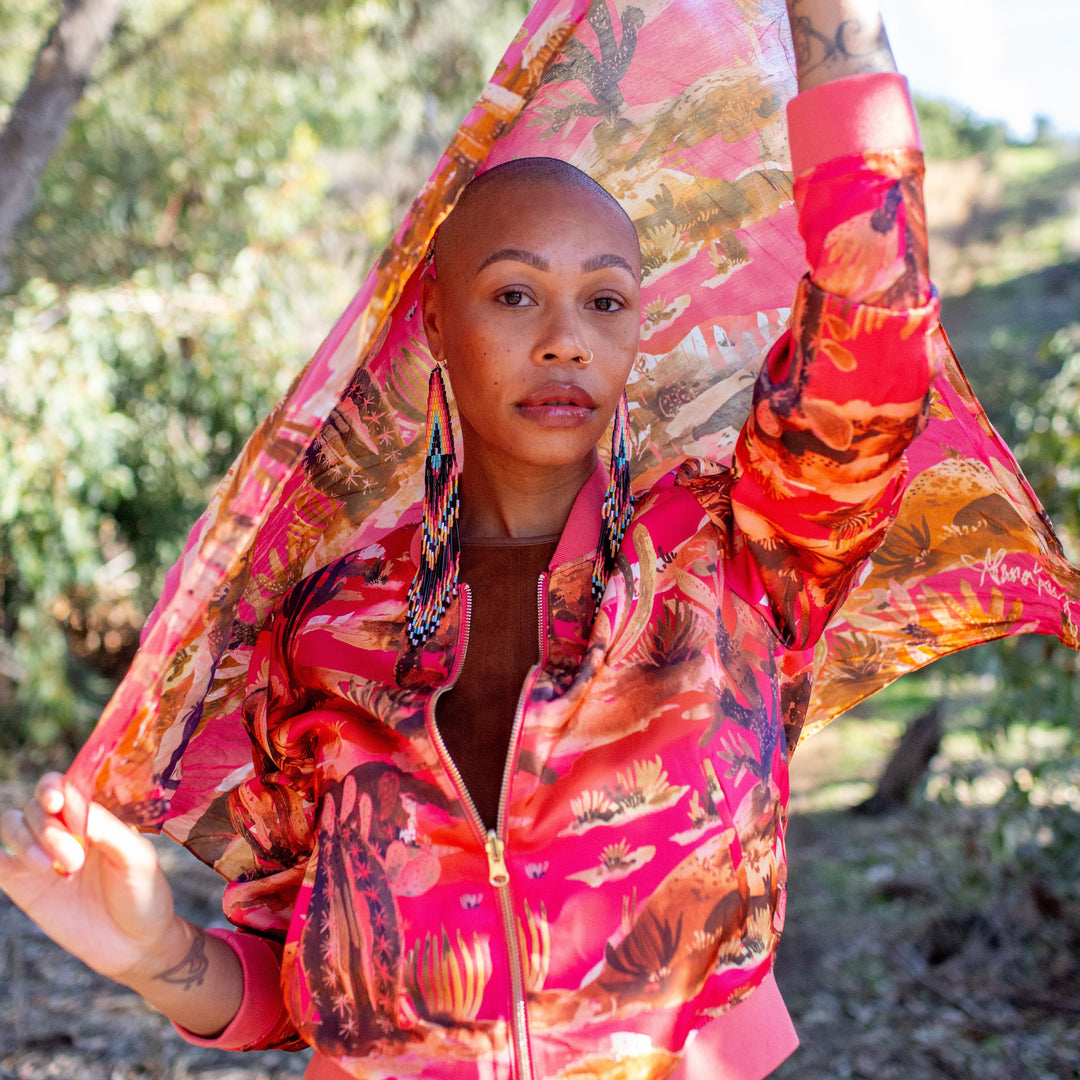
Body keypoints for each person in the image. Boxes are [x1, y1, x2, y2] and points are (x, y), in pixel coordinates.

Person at [0, 1, 941, 1077]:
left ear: (639, 329)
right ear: (436, 324)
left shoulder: (730, 557)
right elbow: (291, 992)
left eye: (604, 300)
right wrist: (155, 951)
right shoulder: (325, 632)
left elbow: (873, 340)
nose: (563, 341)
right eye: (512, 294)